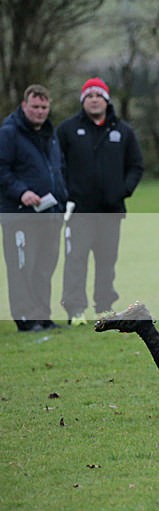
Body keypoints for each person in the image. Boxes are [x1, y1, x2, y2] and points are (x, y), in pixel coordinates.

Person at [57, 77, 144, 325]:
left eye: (98, 96)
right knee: (76, 261)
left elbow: (136, 166)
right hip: (79, 210)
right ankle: (75, 310)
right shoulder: (67, 130)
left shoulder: (123, 131)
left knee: (107, 263)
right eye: (89, 96)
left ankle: (104, 308)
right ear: (83, 101)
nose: (94, 100)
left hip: (111, 210)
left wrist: (123, 190)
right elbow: (57, 166)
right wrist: (67, 194)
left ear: (106, 100)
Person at [0, 84, 68, 332]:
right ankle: (25, 319)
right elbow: (2, 170)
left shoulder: (50, 134)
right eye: (35, 106)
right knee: (22, 267)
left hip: (50, 215)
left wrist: (63, 200)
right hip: (19, 215)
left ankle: (43, 316)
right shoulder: (9, 133)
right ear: (24, 105)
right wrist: (22, 192)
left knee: (44, 268)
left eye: (44, 107)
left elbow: (58, 169)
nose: (39, 111)